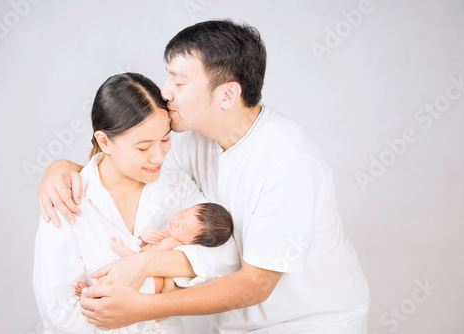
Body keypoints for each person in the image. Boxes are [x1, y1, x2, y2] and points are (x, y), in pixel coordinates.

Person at [38, 20, 370, 333]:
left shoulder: (290, 161)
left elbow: (256, 284)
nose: (165, 92)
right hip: (239, 325)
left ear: (227, 95)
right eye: (168, 78)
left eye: (179, 83)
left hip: (310, 323)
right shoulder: (196, 142)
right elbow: (127, 164)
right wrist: (63, 168)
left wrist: (142, 301)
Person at [33, 72, 239, 334]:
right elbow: (58, 309)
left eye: (165, 140)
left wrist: (146, 265)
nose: (158, 156)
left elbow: (227, 255)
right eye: (143, 148)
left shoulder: (177, 186)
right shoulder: (65, 198)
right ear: (105, 141)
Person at [75, 203, 234, 296]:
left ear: (194, 244)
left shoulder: (172, 244)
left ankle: (92, 295)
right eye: (184, 213)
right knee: (110, 280)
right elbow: (143, 249)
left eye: (184, 228)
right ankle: (94, 293)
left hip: (148, 284)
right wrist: (145, 234)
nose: (178, 221)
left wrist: (121, 249)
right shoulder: (169, 234)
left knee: (113, 283)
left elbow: (140, 261)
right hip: (142, 276)